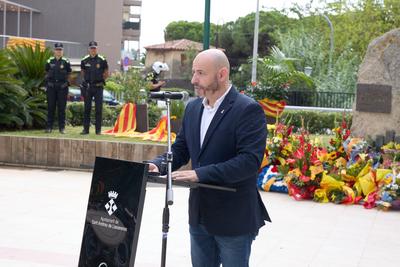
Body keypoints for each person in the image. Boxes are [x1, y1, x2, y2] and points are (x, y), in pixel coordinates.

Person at [148, 49, 271, 267]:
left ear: (222, 75)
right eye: (194, 72)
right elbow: (182, 149)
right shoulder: (194, 108)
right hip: (199, 215)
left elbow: (249, 162)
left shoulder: (247, 110)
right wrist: (158, 165)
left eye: (201, 73)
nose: (194, 79)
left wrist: (199, 174)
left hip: (233, 219)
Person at [80, 41, 109, 135]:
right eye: (92, 48)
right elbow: (82, 72)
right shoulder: (84, 60)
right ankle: (85, 130)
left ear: (97, 49)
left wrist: (101, 80)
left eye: (95, 48)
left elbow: (106, 72)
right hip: (88, 88)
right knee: (87, 109)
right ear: (89, 49)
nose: (93, 50)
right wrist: (86, 81)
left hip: (98, 87)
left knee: (98, 109)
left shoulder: (102, 59)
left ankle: (98, 130)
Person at [44, 42, 72, 134]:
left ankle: (62, 128)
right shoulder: (49, 61)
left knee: (61, 108)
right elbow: (46, 72)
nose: (58, 51)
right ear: (54, 51)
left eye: (60, 50)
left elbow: (69, 73)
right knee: (50, 107)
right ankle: (49, 127)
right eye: (57, 50)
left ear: (62, 51)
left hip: (62, 88)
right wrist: (47, 83)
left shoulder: (66, 61)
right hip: (51, 87)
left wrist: (67, 83)